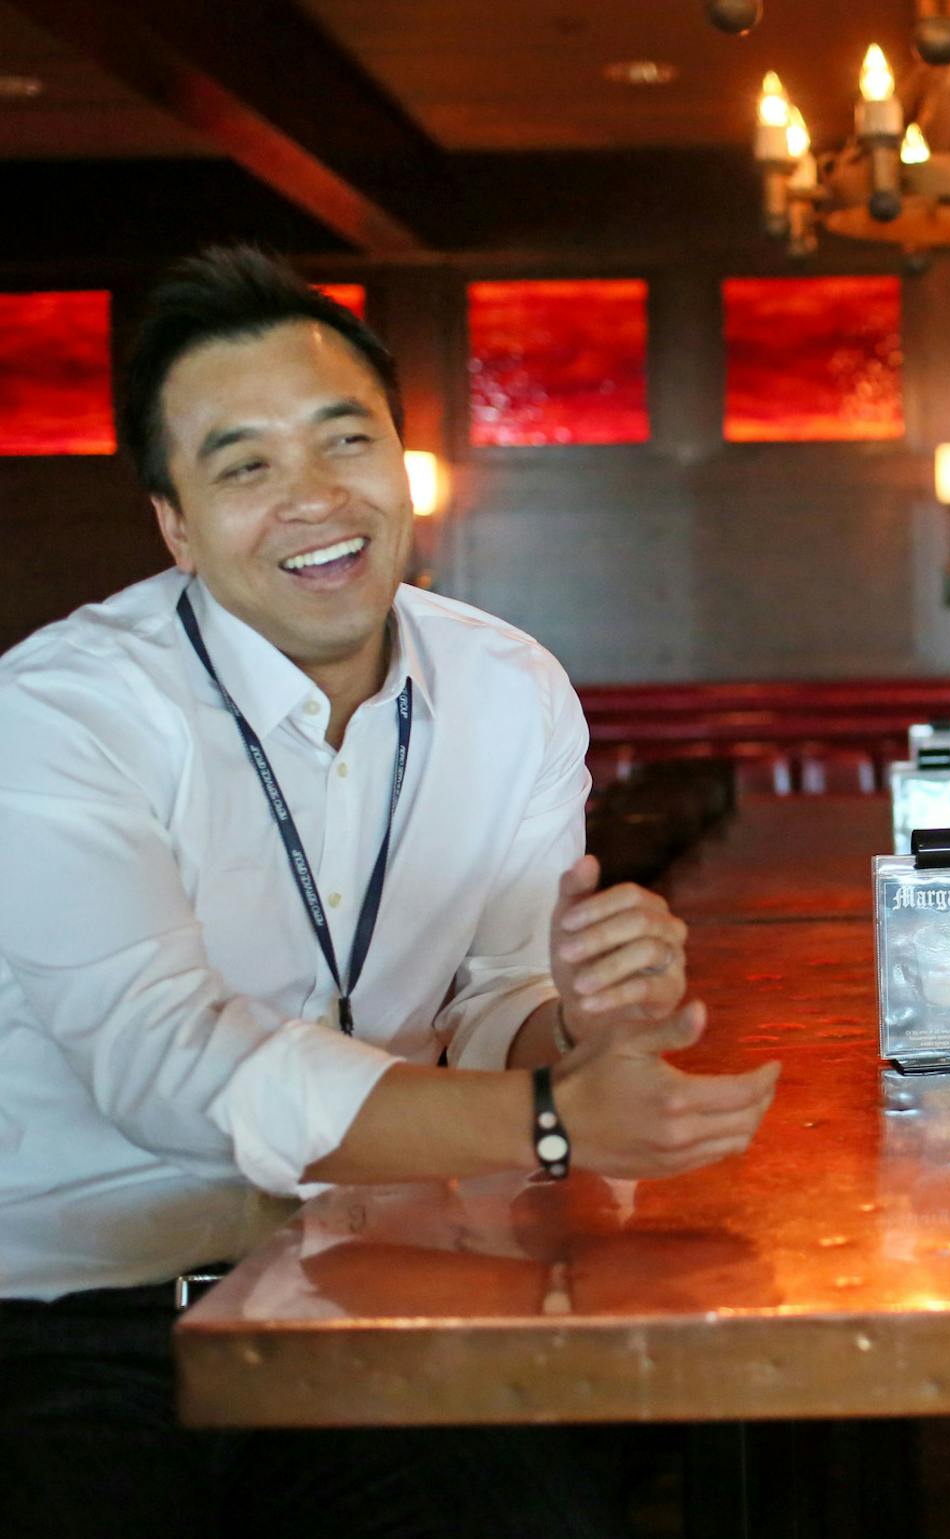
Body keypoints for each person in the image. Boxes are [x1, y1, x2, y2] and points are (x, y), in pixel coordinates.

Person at [0, 247, 781, 1538]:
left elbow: (497, 993)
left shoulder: (505, 683)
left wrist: (579, 1019)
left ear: (402, 466)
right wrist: (549, 1117)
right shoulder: (57, 712)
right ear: (176, 524)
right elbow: (170, 1066)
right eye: (244, 465)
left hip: (369, 1271)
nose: (311, 496)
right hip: (77, 1310)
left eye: (342, 440)